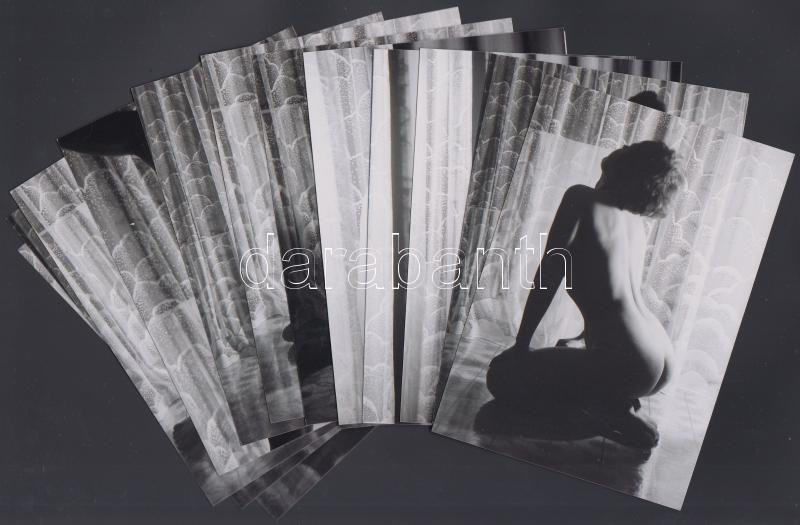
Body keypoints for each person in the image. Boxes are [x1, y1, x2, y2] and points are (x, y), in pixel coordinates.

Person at [485, 140, 683, 449]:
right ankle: (612, 401)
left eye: (628, 149)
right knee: (557, 368)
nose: (622, 147)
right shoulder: (636, 224)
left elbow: (549, 275)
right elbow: (614, 293)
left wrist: (521, 345)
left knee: (500, 376)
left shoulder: (580, 198)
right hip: (659, 354)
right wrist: (580, 338)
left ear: (624, 165)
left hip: (627, 362)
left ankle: (606, 413)